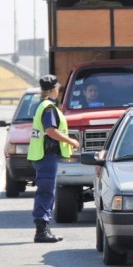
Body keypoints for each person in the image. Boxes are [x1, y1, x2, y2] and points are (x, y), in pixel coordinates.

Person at [27, 74, 80, 243]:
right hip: (46, 155)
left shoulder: (42, 105)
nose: (59, 90)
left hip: (42, 155)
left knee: (47, 191)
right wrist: (70, 140)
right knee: (46, 192)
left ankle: (44, 228)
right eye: (58, 88)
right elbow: (51, 131)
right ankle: (42, 230)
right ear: (53, 89)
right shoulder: (49, 108)